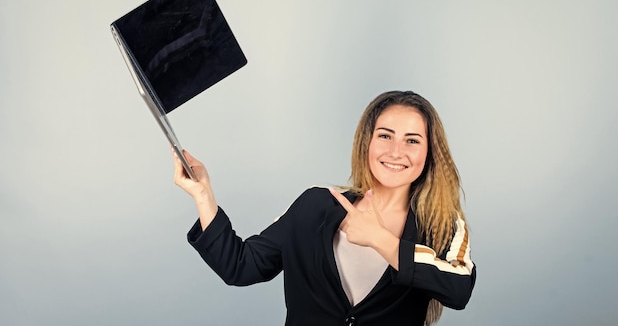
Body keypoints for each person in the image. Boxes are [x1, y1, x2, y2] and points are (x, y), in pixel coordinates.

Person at [173, 90, 476, 326]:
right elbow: (240, 266)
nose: (396, 151)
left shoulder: (443, 224)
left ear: (429, 153)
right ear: (366, 143)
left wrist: (380, 239)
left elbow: (459, 288)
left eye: (412, 140)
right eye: (385, 135)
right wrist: (203, 195)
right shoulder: (314, 206)